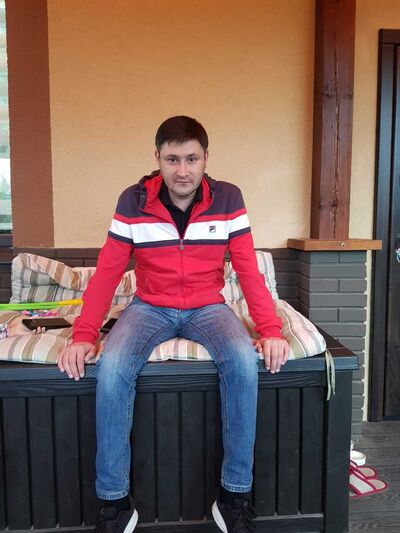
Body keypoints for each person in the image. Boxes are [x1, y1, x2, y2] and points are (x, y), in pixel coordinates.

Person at [57, 116, 289, 533]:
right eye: (172, 159)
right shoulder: (132, 201)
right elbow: (108, 271)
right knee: (112, 367)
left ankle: (234, 497)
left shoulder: (229, 198)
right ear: (158, 158)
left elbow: (248, 270)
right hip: (149, 306)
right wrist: (84, 335)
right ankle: (114, 503)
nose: (182, 170)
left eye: (191, 159)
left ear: (205, 158)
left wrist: (270, 330)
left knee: (242, 362)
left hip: (208, 307)